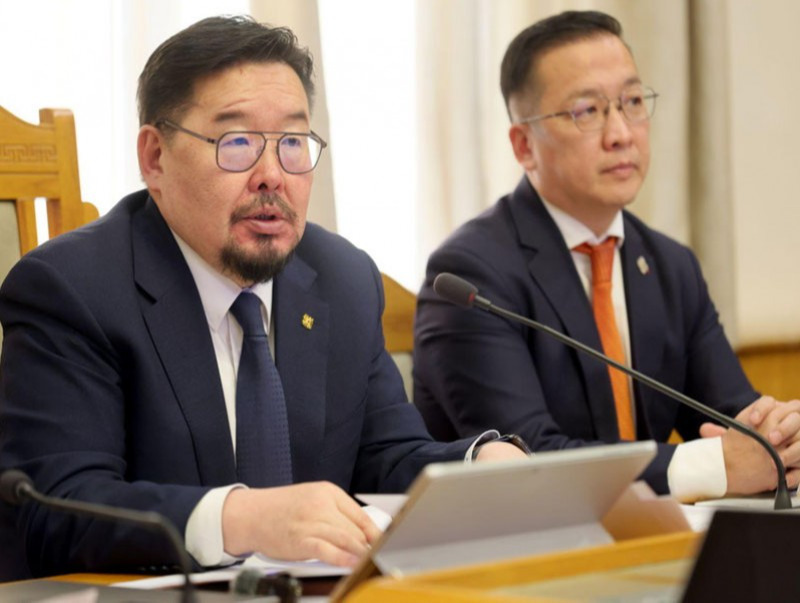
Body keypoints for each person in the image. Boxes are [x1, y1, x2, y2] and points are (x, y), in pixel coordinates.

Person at [0, 15, 527, 580]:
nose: (272, 175)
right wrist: (242, 518)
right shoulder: (74, 287)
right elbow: (55, 508)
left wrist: (476, 463)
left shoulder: (343, 278)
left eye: (293, 143)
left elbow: (385, 454)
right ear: (155, 157)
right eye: (238, 142)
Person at [414, 10, 800, 502]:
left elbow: (737, 422)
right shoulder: (471, 277)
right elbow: (527, 460)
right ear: (524, 145)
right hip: (515, 541)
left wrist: (779, 439)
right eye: (587, 111)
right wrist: (712, 466)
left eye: (632, 102)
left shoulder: (670, 266)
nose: (621, 133)